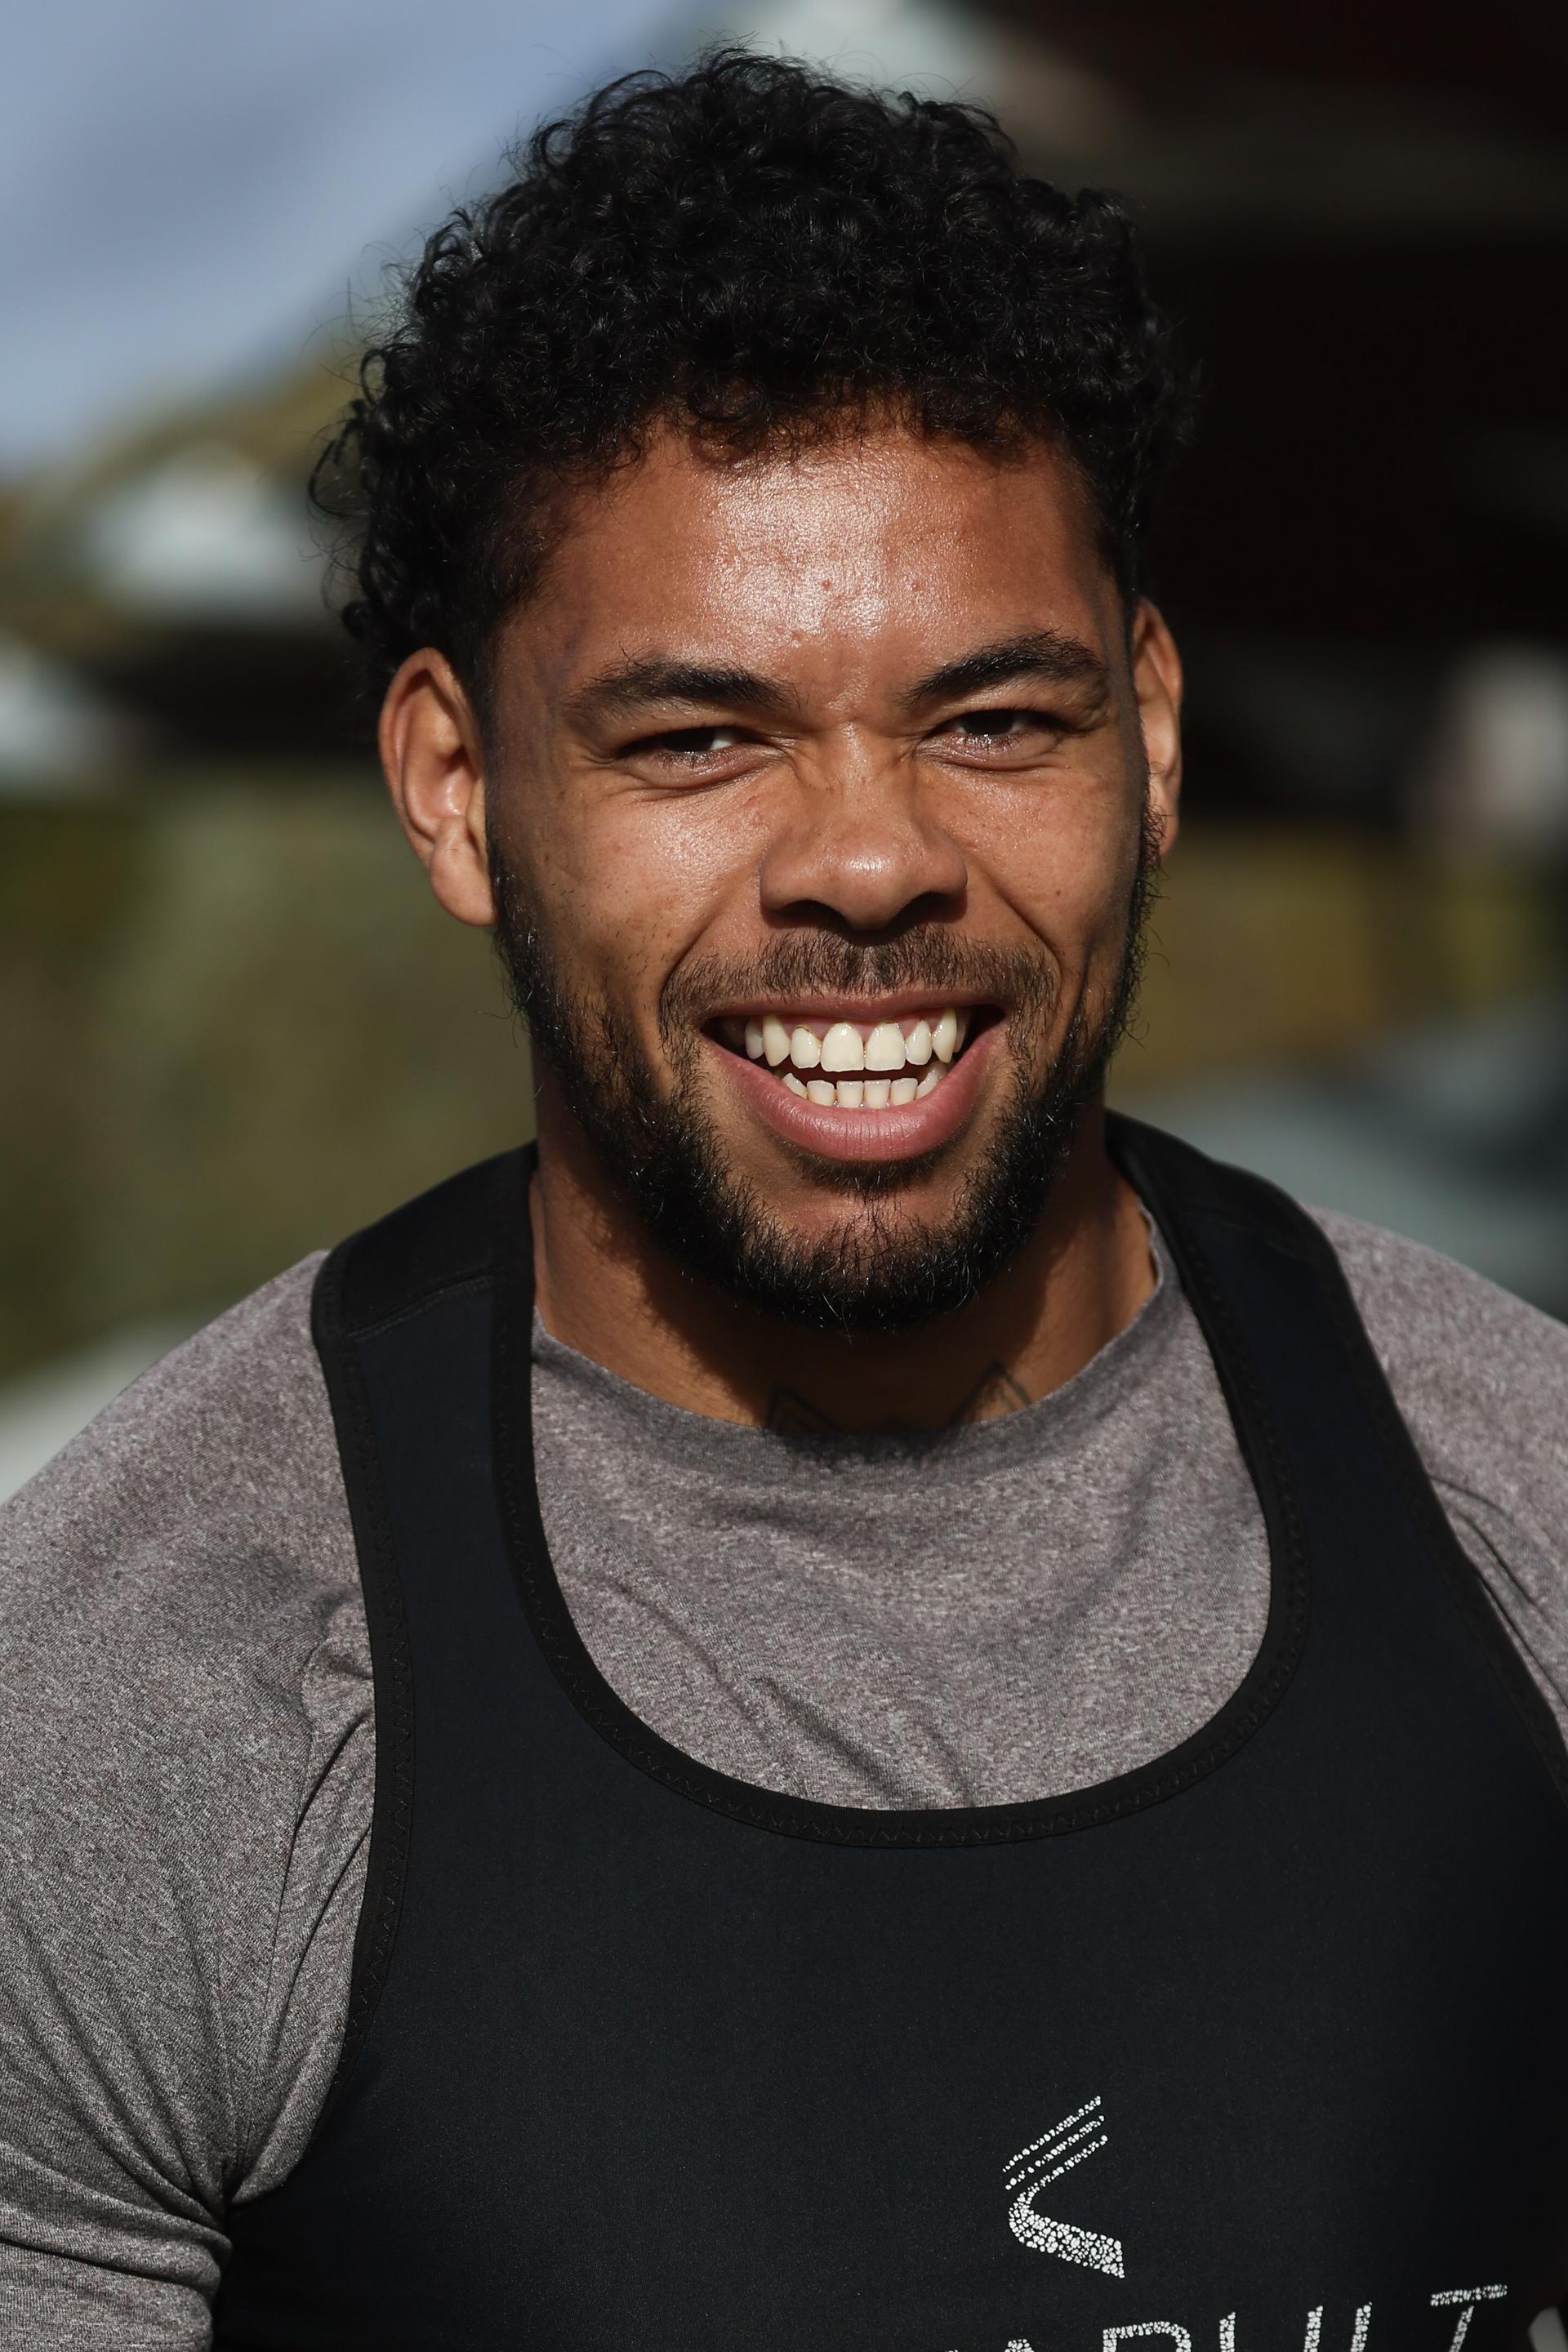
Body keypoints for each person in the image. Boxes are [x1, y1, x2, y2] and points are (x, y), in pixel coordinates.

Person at [2, 51, 1567, 2352]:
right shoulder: (148, 1707)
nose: (867, 861)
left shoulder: (1514, 1501)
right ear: (455, 790)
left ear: (1148, 737)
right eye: (700, 739)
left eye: (993, 722)